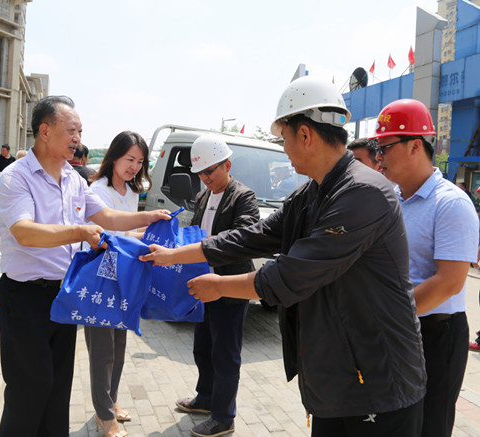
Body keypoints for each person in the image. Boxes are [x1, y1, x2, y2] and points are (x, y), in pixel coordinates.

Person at [141, 77, 427, 437]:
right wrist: (174, 255)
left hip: (378, 381)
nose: (285, 149)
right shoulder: (314, 193)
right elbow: (256, 235)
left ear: (305, 134)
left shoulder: (363, 193)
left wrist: (220, 286)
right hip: (339, 376)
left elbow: (290, 275)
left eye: (284, 139)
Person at [0, 95, 170, 437]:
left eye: (80, 131)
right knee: (29, 390)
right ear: (45, 131)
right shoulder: (16, 177)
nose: (77, 138)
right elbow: (24, 232)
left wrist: (148, 216)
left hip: (64, 295)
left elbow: (106, 216)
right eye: (71, 130)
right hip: (25, 298)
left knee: (58, 389)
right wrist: (78, 231)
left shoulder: (72, 178)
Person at [371, 98, 479, 437]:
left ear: (415, 146)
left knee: (430, 424)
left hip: (436, 333)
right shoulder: (392, 199)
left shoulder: (451, 204)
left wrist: (388, 316)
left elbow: (449, 282)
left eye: (385, 148)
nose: (378, 157)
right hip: (398, 327)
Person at [173, 134, 260, 437]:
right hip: (203, 286)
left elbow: (243, 237)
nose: (205, 178)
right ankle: (206, 398)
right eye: (200, 173)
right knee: (203, 347)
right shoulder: (202, 196)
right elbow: (194, 231)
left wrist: (203, 245)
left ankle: (223, 417)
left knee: (225, 354)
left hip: (229, 286)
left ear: (227, 165)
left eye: (210, 171)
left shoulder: (243, 197)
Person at [85, 131, 152, 437]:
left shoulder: (132, 191)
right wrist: (144, 229)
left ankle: (110, 401)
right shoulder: (98, 190)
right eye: (129, 159)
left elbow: (127, 234)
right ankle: (103, 414)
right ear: (113, 157)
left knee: (119, 346)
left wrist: (149, 232)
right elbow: (108, 234)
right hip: (100, 278)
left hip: (124, 277)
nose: (134, 167)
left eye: (139, 162)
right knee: (102, 351)